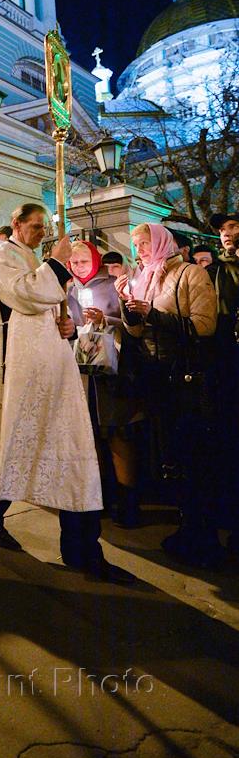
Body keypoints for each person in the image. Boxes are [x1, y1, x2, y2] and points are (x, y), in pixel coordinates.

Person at [0, 203, 135, 584]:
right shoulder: (3, 255)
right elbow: (24, 294)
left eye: (45, 227)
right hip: (22, 371)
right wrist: (56, 262)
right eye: (36, 226)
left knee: (69, 450)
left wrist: (66, 325)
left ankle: (81, 546)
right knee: (20, 442)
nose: (42, 233)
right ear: (16, 223)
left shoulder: (35, 260)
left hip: (53, 366)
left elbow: (51, 309)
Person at [115, 222, 218, 567]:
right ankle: (186, 527)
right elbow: (136, 332)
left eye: (144, 243)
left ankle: (202, 536)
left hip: (185, 379)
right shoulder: (143, 278)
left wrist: (153, 314)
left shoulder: (189, 274)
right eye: (136, 245)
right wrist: (127, 305)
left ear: (161, 241)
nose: (140, 251)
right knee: (170, 455)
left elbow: (204, 326)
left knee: (193, 455)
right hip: (156, 378)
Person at [66, 239, 142, 527]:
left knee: (118, 434)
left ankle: (128, 501)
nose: (79, 267)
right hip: (85, 372)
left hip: (113, 371)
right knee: (92, 435)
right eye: (74, 262)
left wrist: (104, 319)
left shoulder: (113, 284)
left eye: (84, 261)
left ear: (96, 261)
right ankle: (102, 496)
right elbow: (70, 326)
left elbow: (132, 325)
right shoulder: (70, 290)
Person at [206, 212, 239, 553]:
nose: (225, 233)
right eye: (221, 229)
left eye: (232, 226)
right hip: (228, 364)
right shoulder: (215, 271)